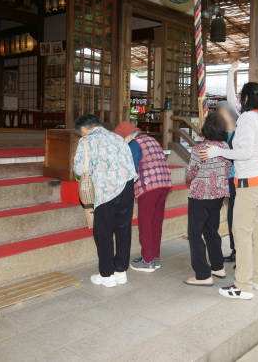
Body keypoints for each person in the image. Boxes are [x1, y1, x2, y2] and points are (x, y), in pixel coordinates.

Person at [199, 82, 258, 300]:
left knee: (241, 235)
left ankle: (243, 286)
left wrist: (216, 151)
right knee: (257, 235)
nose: (238, 101)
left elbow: (246, 152)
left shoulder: (249, 118)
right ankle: (257, 279)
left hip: (249, 184)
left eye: (240, 97)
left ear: (247, 98)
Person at [73, 114, 138, 288]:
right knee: (123, 230)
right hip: (126, 187)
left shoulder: (86, 141)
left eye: (80, 132)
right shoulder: (118, 138)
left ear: (84, 129)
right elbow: (130, 164)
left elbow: (78, 168)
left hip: (105, 192)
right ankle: (120, 271)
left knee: (104, 232)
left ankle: (107, 274)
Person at [114, 121, 172, 272]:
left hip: (149, 186)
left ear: (126, 137)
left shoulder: (134, 144)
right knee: (156, 222)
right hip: (163, 184)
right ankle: (154, 257)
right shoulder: (151, 139)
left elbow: (131, 169)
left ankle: (147, 261)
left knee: (146, 223)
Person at [183, 113, 232, 286]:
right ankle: (217, 267)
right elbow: (227, 169)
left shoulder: (199, 149)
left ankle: (203, 275)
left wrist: (193, 175)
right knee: (211, 231)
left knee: (195, 234)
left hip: (199, 195)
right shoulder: (225, 147)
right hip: (218, 195)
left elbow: (190, 173)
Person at [218, 60, 241, 263]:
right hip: (228, 179)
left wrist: (230, 72)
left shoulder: (242, 126)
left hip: (238, 179)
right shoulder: (226, 131)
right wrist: (230, 71)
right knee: (231, 215)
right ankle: (235, 249)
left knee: (234, 216)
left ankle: (238, 250)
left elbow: (231, 98)